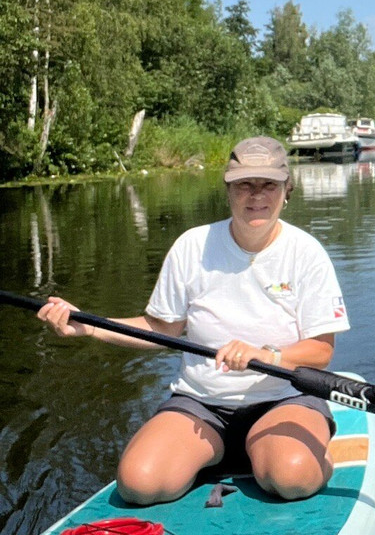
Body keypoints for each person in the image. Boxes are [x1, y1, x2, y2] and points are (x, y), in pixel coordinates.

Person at [36, 136, 350, 505]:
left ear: (287, 190)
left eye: (269, 184)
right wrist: (89, 325)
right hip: (201, 405)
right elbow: (161, 331)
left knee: (291, 478)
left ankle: (307, 455)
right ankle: (216, 454)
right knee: (139, 484)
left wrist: (268, 356)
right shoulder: (192, 245)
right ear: (228, 189)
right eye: (244, 184)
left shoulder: (306, 253)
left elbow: (320, 351)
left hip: (283, 400)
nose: (256, 195)